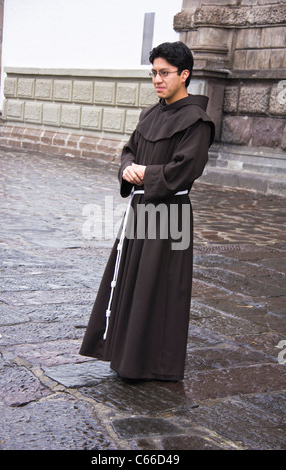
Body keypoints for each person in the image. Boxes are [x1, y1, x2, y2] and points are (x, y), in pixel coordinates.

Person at [79, 41, 215, 381]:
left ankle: (154, 364)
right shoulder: (151, 113)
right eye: (153, 72)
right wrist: (127, 167)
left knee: (162, 286)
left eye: (164, 73)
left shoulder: (197, 121)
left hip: (170, 214)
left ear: (184, 75)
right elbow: (130, 149)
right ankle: (126, 357)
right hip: (140, 210)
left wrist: (147, 174)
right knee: (132, 280)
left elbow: (186, 168)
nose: (157, 79)